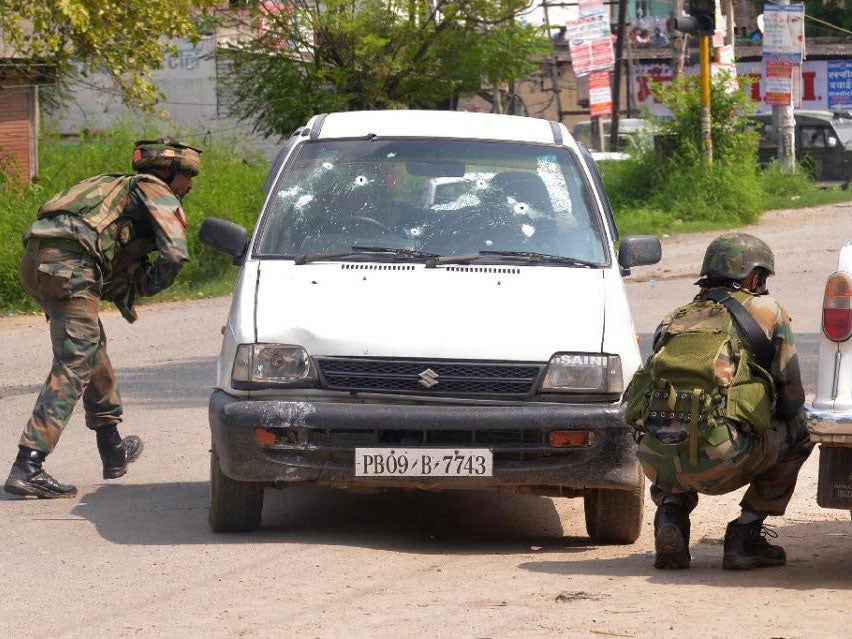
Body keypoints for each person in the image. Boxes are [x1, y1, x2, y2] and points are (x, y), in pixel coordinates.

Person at [4, 137, 202, 499]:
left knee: (92, 350)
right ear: (170, 173)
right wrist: (148, 285)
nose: (189, 186)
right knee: (75, 363)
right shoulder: (155, 190)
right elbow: (174, 253)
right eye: (188, 177)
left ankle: (112, 451)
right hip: (71, 268)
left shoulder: (111, 186)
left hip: (37, 263)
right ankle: (28, 465)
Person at [624, 233, 813, 571]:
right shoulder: (769, 310)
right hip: (722, 459)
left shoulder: (674, 318)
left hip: (658, 460)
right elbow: (791, 399)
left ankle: (670, 517)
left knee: (675, 428)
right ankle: (745, 536)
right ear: (754, 276)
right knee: (801, 431)